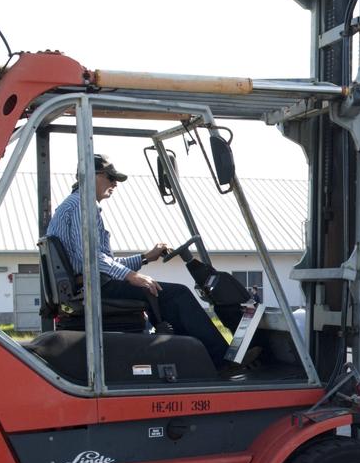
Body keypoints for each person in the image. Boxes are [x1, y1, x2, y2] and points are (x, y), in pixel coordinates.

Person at [45, 154, 233, 371]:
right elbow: (91, 259)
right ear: (93, 175)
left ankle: (193, 360)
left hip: (92, 282)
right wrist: (131, 276)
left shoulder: (75, 205)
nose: (115, 184)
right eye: (111, 177)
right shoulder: (82, 206)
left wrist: (145, 258)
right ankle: (221, 361)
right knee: (177, 294)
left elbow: (102, 261)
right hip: (93, 285)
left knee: (161, 292)